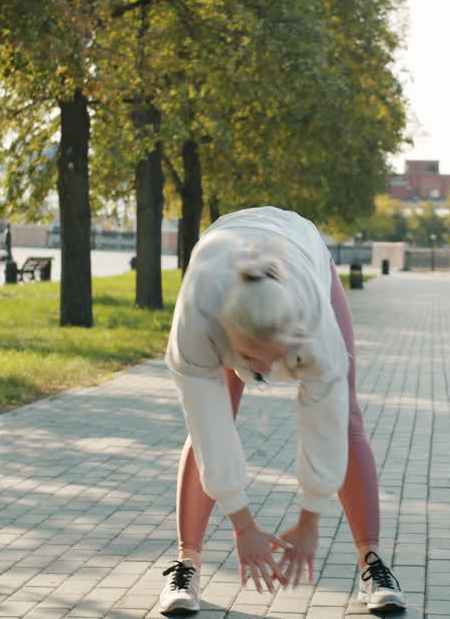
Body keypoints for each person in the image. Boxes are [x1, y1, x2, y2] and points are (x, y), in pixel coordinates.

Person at [158, 206, 406, 615]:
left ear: (293, 339)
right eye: (252, 359)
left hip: (300, 249)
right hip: (219, 264)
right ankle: (186, 564)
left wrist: (310, 519)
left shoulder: (312, 327)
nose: (263, 372)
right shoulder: (197, 322)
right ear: (228, 339)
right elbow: (211, 431)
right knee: (213, 422)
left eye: (275, 359)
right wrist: (243, 525)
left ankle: (372, 564)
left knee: (347, 419)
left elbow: (324, 425)